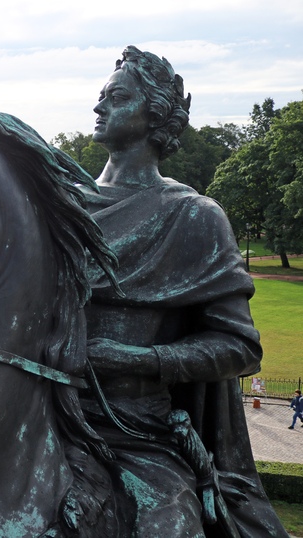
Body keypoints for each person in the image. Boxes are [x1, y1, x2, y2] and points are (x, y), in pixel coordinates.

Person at [77, 45, 286, 536]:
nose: (99, 106)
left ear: (156, 116)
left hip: (135, 431)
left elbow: (239, 348)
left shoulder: (194, 217)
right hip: (33, 412)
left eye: (117, 97)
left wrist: (133, 358)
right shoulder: (57, 205)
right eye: (100, 95)